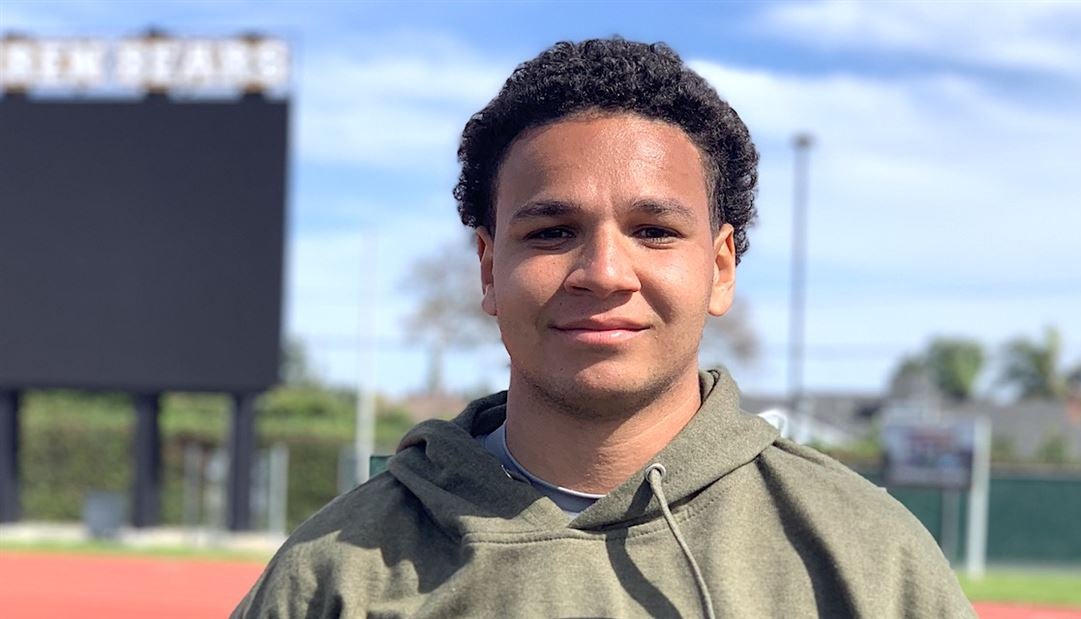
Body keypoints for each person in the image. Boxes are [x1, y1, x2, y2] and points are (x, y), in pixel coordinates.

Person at [235, 38, 974, 618]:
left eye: (653, 230)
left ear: (721, 268)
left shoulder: (867, 555)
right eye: (553, 231)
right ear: (489, 269)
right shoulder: (335, 571)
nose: (604, 271)